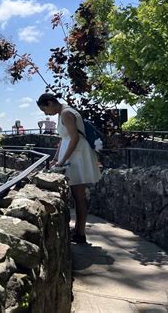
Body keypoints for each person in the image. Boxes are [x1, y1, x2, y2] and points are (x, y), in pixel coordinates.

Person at [36, 93, 101, 244]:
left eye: (45, 110)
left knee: (79, 196)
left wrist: (62, 160)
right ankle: (78, 230)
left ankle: (81, 233)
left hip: (78, 157)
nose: (46, 113)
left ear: (50, 103)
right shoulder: (63, 113)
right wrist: (55, 158)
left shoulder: (66, 113)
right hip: (74, 156)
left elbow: (74, 138)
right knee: (77, 195)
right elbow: (64, 139)